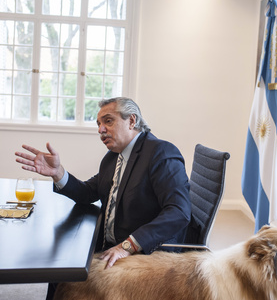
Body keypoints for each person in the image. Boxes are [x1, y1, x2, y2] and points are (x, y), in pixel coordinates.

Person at [15, 97, 191, 269]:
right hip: (110, 244)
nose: (101, 129)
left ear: (131, 121)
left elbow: (178, 212)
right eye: (98, 124)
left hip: (146, 253)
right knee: (58, 264)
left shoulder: (161, 153)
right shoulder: (113, 157)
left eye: (108, 121)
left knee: (65, 275)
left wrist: (128, 246)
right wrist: (57, 172)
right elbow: (88, 192)